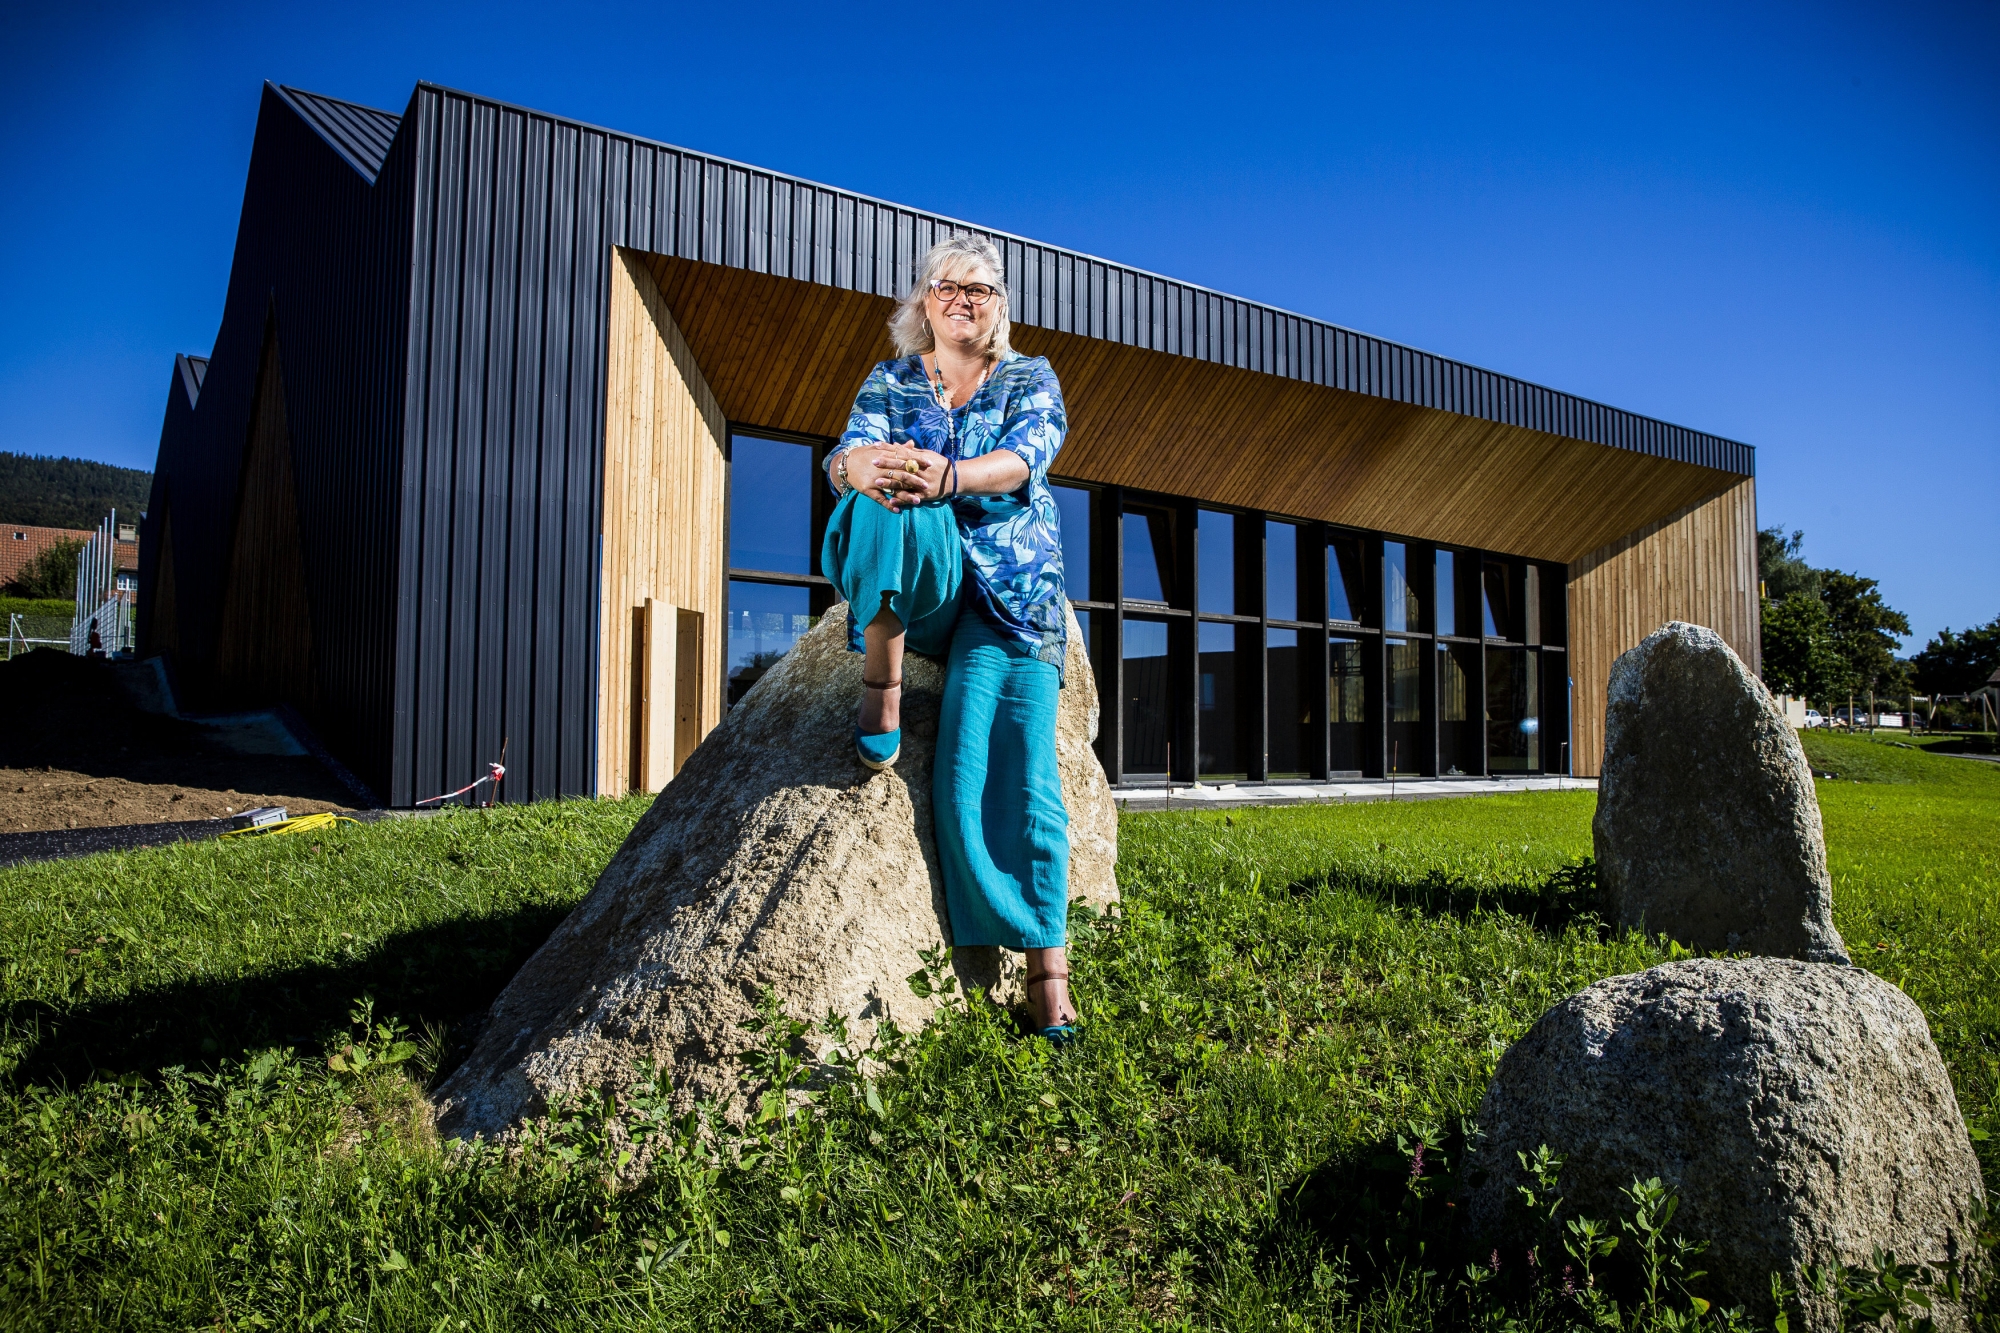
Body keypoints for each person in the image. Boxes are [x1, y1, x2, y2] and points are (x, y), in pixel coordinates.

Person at [819, 234, 1078, 1042]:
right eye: (951, 287)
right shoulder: (892, 379)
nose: (967, 300)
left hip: (1010, 590)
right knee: (884, 494)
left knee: (999, 763)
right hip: (921, 578)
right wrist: (859, 470)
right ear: (924, 301)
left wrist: (951, 474)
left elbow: (1026, 457)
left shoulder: (1031, 377)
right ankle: (883, 681)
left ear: (1000, 306)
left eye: (984, 290)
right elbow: (846, 453)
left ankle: (1047, 969)